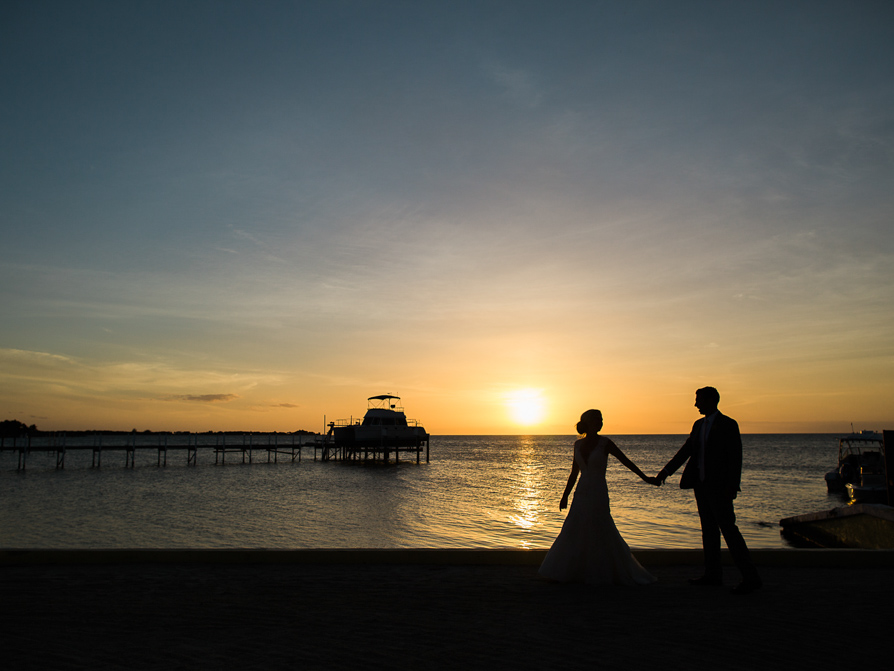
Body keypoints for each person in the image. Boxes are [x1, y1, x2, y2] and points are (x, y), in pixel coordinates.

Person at [656, 387, 762, 595]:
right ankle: (713, 575)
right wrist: (664, 473)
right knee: (709, 531)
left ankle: (751, 577)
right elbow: (685, 451)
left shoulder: (728, 424)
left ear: (710, 400)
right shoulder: (697, 426)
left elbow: (735, 457)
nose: (696, 404)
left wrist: (732, 486)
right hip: (701, 486)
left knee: (729, 531)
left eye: (698, 400)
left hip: (720, 488)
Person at [538, 409, 659, 586]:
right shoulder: (577, 445)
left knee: (600, 526)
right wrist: (564, 496)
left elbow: (626, 462)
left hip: (598, 490)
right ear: (588, 422)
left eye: (601, 420)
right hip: (581, 491)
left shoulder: (605, 443)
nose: (601, 422)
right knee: (575, 527)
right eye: (597, 419)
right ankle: (569, 570)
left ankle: (603, 570)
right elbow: (574, 473)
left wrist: (646, 478)